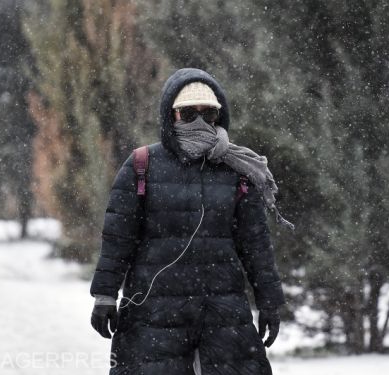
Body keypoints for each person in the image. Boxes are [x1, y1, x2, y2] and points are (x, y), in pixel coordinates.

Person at [89, 68, 294, 375]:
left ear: (219, 117)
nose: (199, 122)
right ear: (170, 115)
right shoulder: (142, 165)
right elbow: (118, 238)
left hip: (223, 315)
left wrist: (269, 302)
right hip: (154, 315)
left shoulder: (237, 169)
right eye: (187, 113)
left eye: (208, 114)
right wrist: (105, 295)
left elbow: (256, 244)